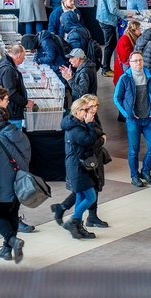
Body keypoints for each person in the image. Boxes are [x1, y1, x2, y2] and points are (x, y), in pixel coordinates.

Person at [52, 94, 109, 231]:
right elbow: (90, 141)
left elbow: (96, 134)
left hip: (90, 161)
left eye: (96, 106)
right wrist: (101, 140)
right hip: (83, 164)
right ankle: (77, 220)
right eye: (90, 107)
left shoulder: (88, 119)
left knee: (85, 192)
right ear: (79, 110)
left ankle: (76, 219)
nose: (94, 109)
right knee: (88, 193)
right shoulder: (79, 125)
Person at [0, 107, 30, 263]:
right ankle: (6, 249)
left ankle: (12, 240)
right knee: (12, 216)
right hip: (20, 186)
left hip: (0, 188)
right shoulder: (21, 136)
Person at [113, 51, 151, 187]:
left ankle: (146, 171)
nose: (138, 63)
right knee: (134, 151)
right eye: (135, 61)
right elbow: (117, 98)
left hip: (149, 119)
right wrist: (127, 114)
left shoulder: (150, 76)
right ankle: (134, 176)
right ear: (130, 63)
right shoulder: (125, 78)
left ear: (143, 61)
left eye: (140, 60)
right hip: (133, 120)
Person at [61, 94, 102, 239]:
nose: (88, 112)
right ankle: (73, 221)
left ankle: (77, 226)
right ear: (77, 112)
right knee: (90, 196)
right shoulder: (75, 128)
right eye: (85, 110)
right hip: (77, 167)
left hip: (81, 165)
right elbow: (88, 141)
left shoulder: (77, 123)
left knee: (81, 196)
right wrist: (90, 124)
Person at [0, 45, 30, 128]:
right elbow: (11, 93)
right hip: (12, 112)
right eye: (24, 57)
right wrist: (26, 102)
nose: (24, 59)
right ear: (18, 56)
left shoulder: (4, 61)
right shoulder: (8, 70)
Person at [96, 0, 124, 76]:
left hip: (103, 18)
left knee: (110, 44)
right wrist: (124, 15)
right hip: (108, 21)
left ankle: (106, 67)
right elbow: (113, 9)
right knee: (110, 45)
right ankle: (105, 69)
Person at [113, 20, 141, 87]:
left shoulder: (132, 36)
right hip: (124, 68)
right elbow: (127, 58)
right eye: (139, 29)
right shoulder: (125, 40)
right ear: (133, 30)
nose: (140, 31)